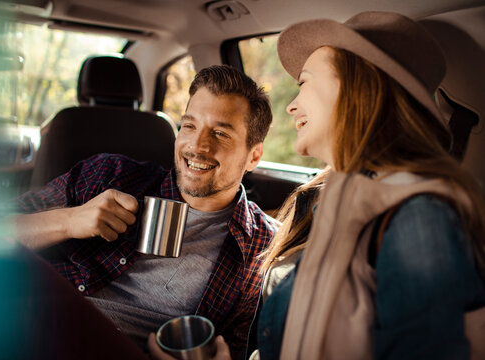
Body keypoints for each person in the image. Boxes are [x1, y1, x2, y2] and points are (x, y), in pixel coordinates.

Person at [148, 11, 485, 360]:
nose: (292, 105)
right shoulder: (337, 200)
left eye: (304, 82)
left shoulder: (417, 217)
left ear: (356, 87)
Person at [11, 64, 277, 358]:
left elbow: (245, 348)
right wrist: (69, 221)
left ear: (254, 155)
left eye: (220, 133)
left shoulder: (262, 248)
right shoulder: (110, 176)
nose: (197, 146)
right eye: (189, 126)